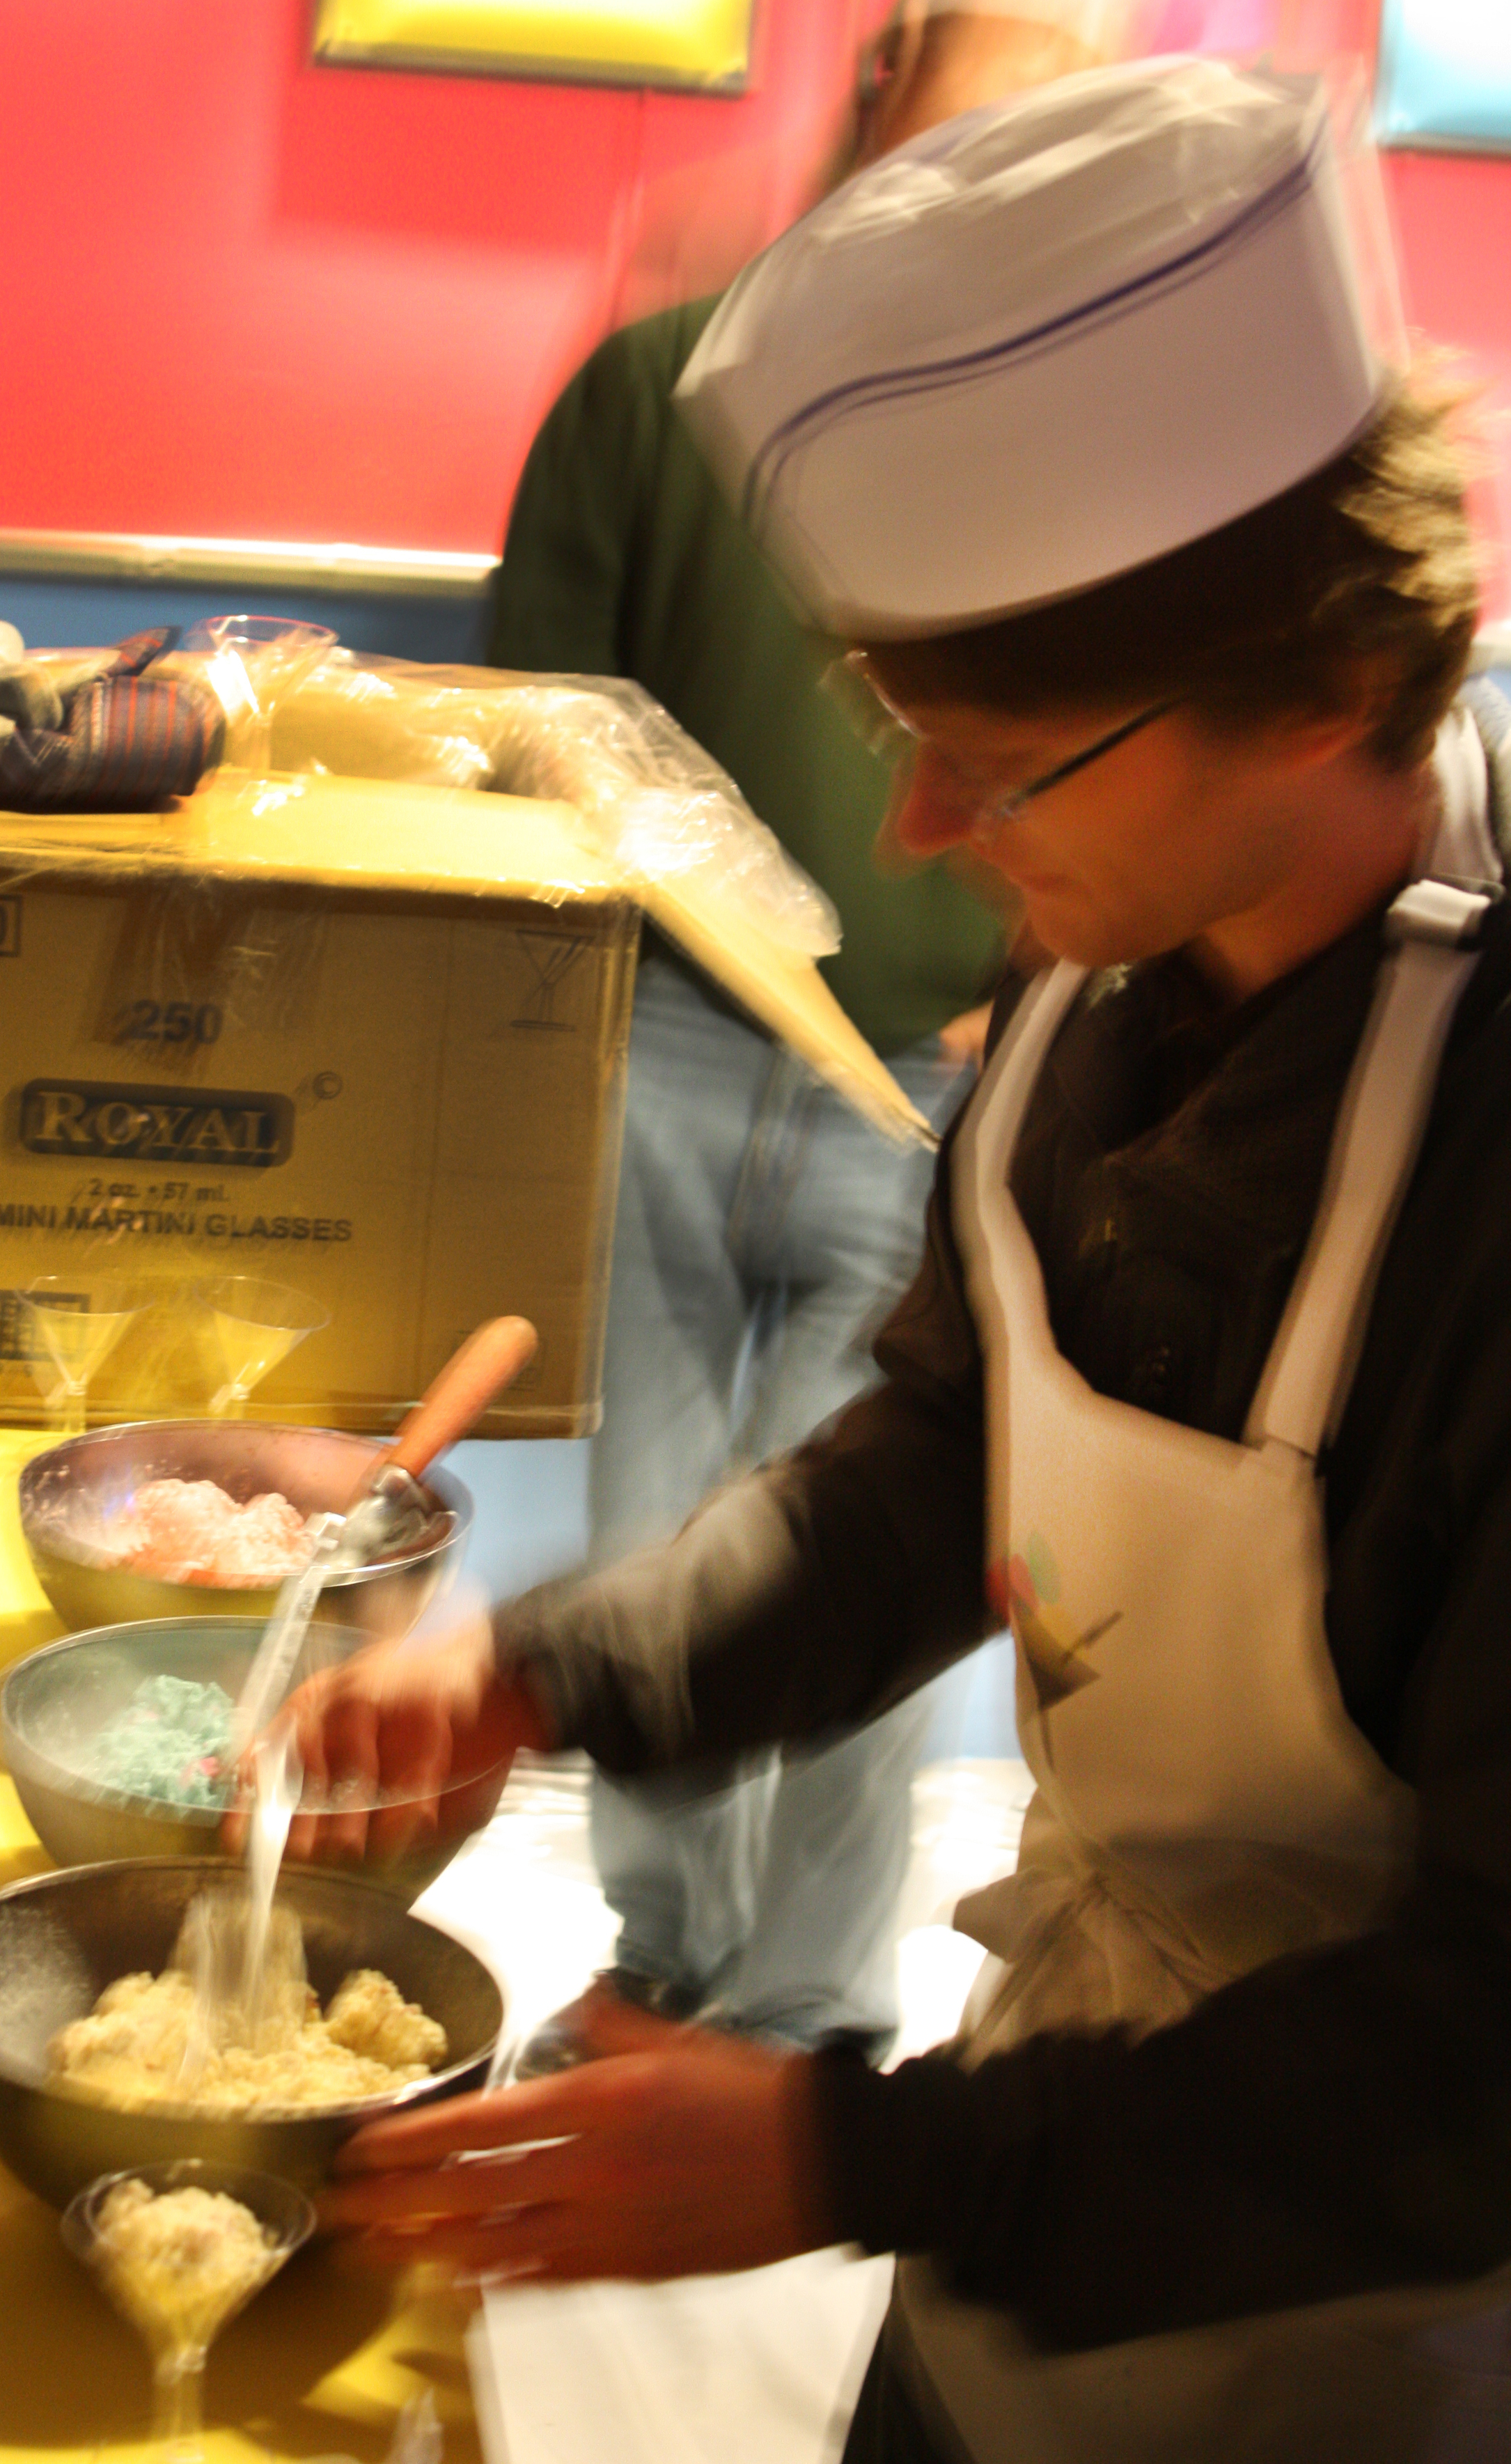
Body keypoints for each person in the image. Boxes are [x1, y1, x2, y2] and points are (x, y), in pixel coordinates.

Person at [272, 56, 1511, 2464]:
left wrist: (850, 2152)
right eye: (893, 722)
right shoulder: (1096, 980)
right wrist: (543, 1675)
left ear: (1341, 684)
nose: (921, 827)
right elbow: (945, 1466)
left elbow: (1482, 2045)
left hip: (1370, 2306)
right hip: (1052, 2155)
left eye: (1007, 757)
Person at [481, 1, 1110, 2059]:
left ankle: (817, 2009)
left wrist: (1010, 1010)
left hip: (921, 1099)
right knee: (662, 1542)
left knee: (861, 1546)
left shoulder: (1068, 446)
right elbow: (541, 725)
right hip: (649, 1052)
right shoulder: (654, 390)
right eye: (971, 125)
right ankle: (661, 1967)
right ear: (873, 102)